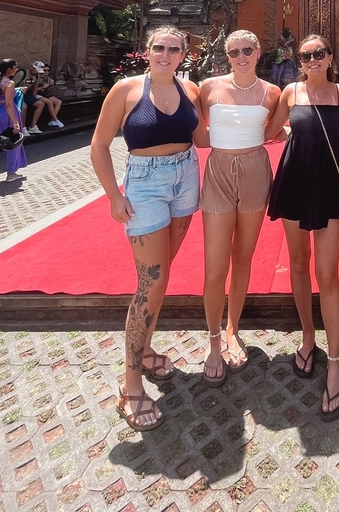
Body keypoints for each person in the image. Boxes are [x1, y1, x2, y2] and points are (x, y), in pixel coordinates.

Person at [90, 26, 206, 431]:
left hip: (186, 178)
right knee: (150, 281)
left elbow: (204, 137)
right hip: (144, 183)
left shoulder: (191, 90)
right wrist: (113, 195)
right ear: (147, 50)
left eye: (174, 49)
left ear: (183, 55)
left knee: (162, 276)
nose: (165, 54)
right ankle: (131, 384)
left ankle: (146, 350)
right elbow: (99, 145)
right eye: (159, 47)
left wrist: (263, 125)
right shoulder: (125, 90)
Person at [266, 34, 339, 420]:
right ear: (299, 61)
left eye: (319, 53)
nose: (312, 59)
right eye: (306, 55)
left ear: (331, 57)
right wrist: (296, 135)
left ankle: (335, 361)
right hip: (294, 178)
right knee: (298, 263)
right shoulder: (290, 92)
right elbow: (271, 130)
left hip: (326, 181)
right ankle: (308, 336)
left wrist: (326, 140)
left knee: (328, 273)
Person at [198, 31, 281, 387]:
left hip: (255, 170)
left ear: (259, 52)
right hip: (218, 170)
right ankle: (213, 340)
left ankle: (233, 328)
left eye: (248, 50)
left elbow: (274, 132)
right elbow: (198, 133)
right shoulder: (208, 88)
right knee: (215, 265)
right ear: (227, 55)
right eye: (234, 52)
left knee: (243, 257)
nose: (241, 56)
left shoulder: (272, 92)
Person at [33, 61, 64, 126]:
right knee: (50, 102)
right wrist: (43, 87)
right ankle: (55, 119)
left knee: (58, 102)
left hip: (45, 94)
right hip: (38, 94)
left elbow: (48, 87)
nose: (46, 72)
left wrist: (51, 83)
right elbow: (33, 89)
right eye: (45, 70)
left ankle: (52, 120)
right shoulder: (37, 77)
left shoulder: (47, 78)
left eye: (48, 70)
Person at [20, 65, 47, 135]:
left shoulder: (36, 76)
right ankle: (22, 128)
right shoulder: (23, 73)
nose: (36, 73)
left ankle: (33, 126)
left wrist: (33, 98)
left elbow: (35, 87)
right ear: (32, 68)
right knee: (24, 106)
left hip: (25, 94)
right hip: (16, 94)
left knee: (40, 103)